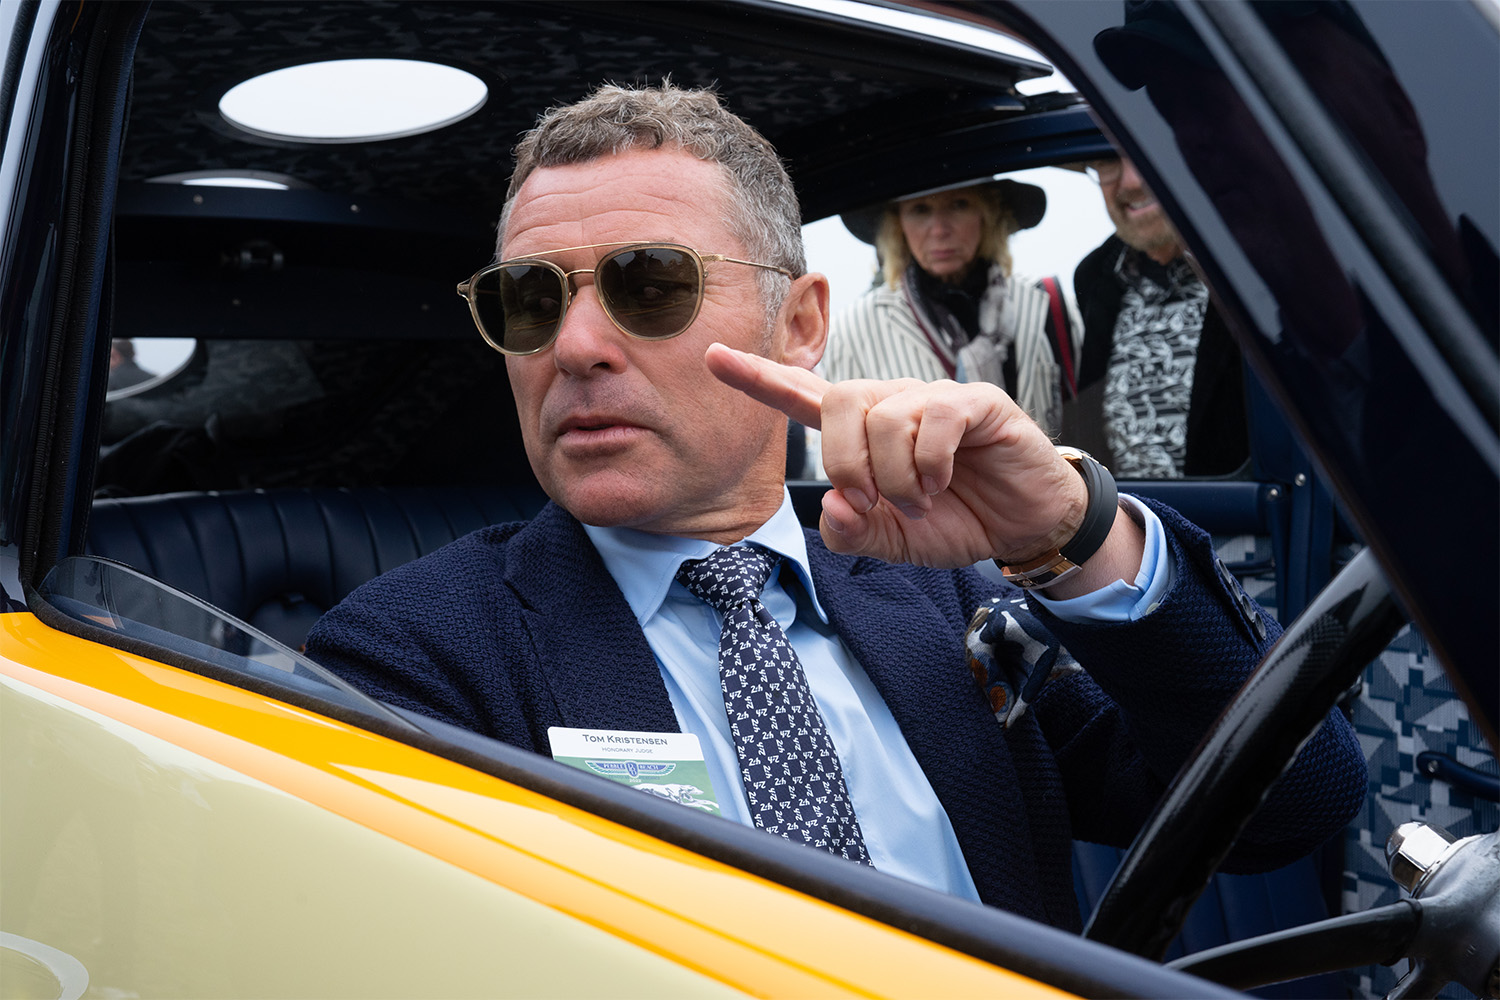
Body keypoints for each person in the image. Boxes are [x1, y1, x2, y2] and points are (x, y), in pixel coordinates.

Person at [306, 83, 1363, 930]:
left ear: (802, 322)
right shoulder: (412, 660)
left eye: (649, 282)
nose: (575, 345)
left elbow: (1296, 803)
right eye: (529, 299)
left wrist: (1078, 536)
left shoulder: (942, 595)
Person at [823, 181, 1080, 438]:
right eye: (920, 209)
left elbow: (1089, 439)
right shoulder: (851, 333)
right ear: (897, 224)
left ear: (988, 213)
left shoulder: (1049, 305)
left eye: (959, 204)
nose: (939, 229)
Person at [1071, 155, 1249, 478]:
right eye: (1109, 160)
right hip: (1124, 525)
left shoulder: (1255, 270)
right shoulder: (1096, 278)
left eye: (1145, 150)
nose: (1132, 181)